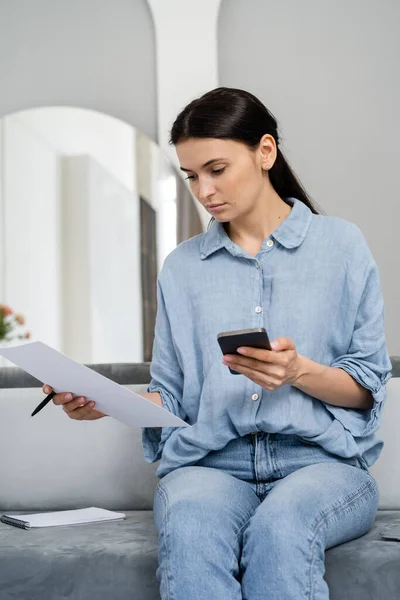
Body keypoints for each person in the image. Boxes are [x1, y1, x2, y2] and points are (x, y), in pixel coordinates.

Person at [43, 87, 392, 599]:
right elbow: (172, 395)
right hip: (209, 465)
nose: (203, 190)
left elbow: (366, 388)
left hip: (321, 466)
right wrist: (104, 404)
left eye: (216, 168)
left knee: (282, 529)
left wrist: (298, 372)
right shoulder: (182, 268)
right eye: (191, 176)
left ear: (265, 152)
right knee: (191, 530)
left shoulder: (341, 246)